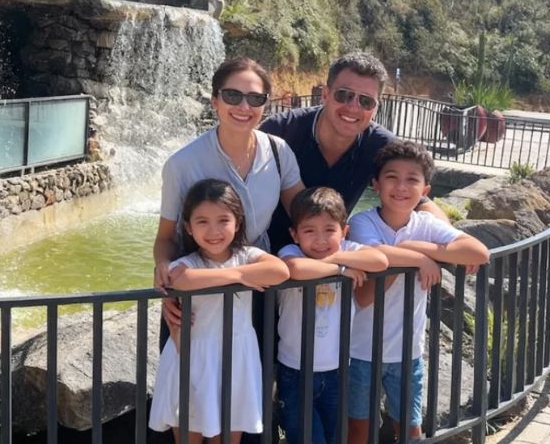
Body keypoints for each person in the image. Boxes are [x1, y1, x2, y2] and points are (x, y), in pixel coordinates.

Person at [346, 141, 490, 443]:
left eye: (412, 179)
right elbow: (376, 259)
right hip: (360, 351)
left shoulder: (425, 224)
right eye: (392, 177)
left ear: (425, 189)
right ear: (375, 184)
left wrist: (413, 246)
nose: (401, 187)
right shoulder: (362, 222)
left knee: (410, 429)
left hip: (407, 352)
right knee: (359, 429)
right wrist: (420, 258)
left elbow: (478, 252)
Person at [154, 58, 305, 328]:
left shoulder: (278, 151)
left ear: (265, 104)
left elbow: (305, 214)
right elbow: (166, 238)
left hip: (260, 283)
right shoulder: (182, 164)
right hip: (200, 291)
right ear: (215, 100)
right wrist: (165, 273)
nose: (244, 107)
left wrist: (342, 253)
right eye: (232, 95)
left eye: (255, 98)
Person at [149, 179, 290, 443]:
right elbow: (181, 280)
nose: (213, 230)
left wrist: (233, 272)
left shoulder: (247, 255)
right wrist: (239, 276)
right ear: (188, 227)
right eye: (202, 221)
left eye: (223, 220)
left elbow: (280, 271)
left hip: (236, 359)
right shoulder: (187, 263)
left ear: (237, 222)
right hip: (192, 359)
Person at [260, 52, 447, 252]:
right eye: (344, 95)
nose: (353, 107)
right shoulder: (281, 130)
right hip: (266, 255)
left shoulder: (380, 146)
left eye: (366, 101)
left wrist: (451, 240)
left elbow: (417, 198)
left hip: (330, 256)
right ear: (325, 94)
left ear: (375, 108)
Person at [275, 187, 389, 444]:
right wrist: (340, 269)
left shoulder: (347, 249)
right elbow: (296, 269)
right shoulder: (291, 252)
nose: (320, 240)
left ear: (344, 231)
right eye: (309, 231)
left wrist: (338, 257)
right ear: (294, 234)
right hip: (296, 370)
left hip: (337, 368)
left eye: (329, 230)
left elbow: (380, 260)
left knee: (335, 435)